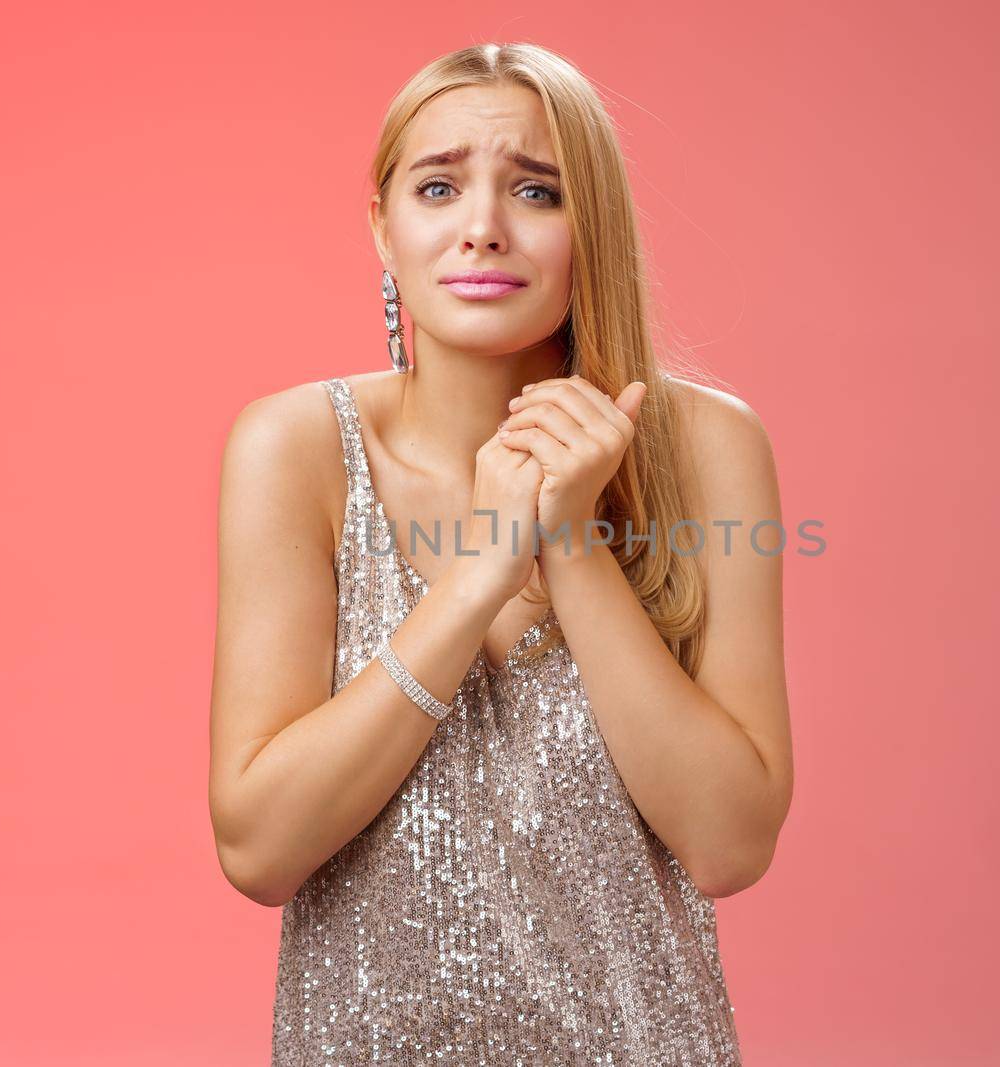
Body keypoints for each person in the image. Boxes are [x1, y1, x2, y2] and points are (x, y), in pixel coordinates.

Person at [208, 41, 792, 1066]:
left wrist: (568, 536)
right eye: (438, 186)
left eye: (536, 190)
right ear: (384, 229)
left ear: (591, 229)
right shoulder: (297, 450)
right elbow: (258, 847)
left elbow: (729, 842)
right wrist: (479, 568)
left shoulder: (708, 449)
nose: (481, 226)